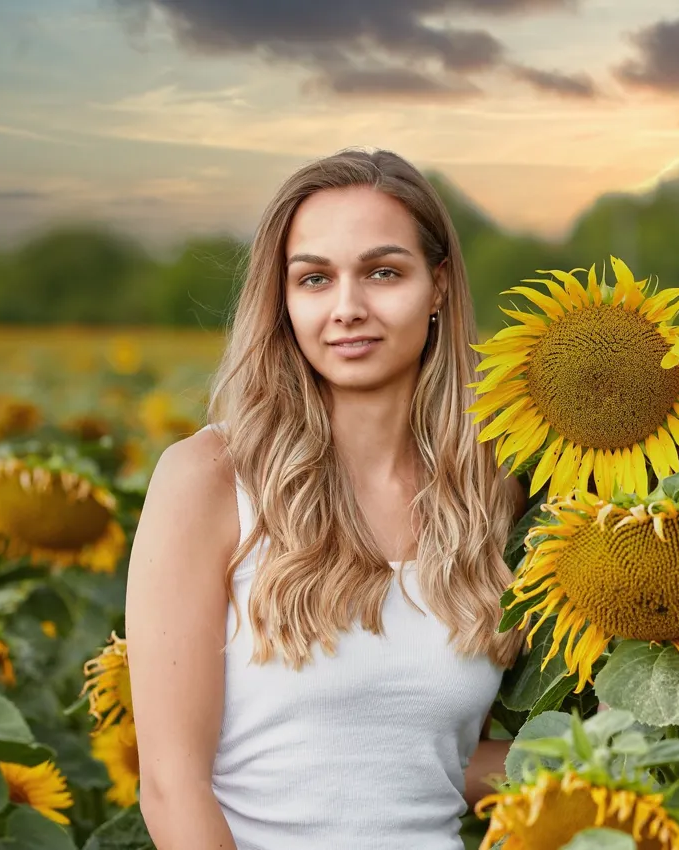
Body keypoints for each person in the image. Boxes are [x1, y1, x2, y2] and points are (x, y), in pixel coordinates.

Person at [124, 148, 526, 849]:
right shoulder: (211, 480)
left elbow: (427, 761)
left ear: (437, 287)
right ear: (282, 300)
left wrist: (622, 739)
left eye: (382, 272)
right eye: (315, 278)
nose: (348, 308)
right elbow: (169, 781)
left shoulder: (492, 494)